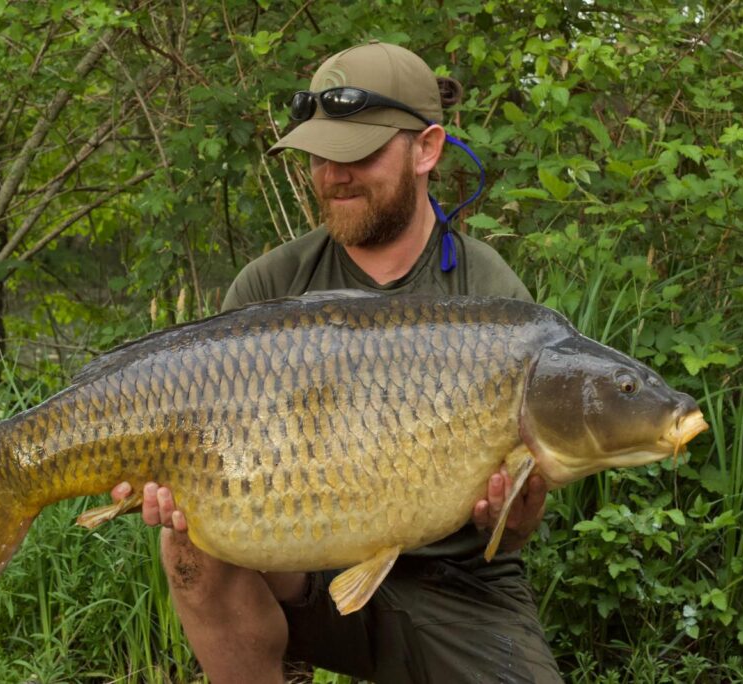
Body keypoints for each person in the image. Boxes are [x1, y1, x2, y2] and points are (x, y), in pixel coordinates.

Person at [111, 41, 563, 683]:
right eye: (322, 156)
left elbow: (511, 537)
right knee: (189, 544)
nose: (334, 175)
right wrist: (171, 482)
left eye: (359, 154)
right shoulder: (271, 285)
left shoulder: (489, 298)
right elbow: (204, 438)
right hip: (301, 568)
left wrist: (515, 520)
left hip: (459, 585)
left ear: (427, 149)